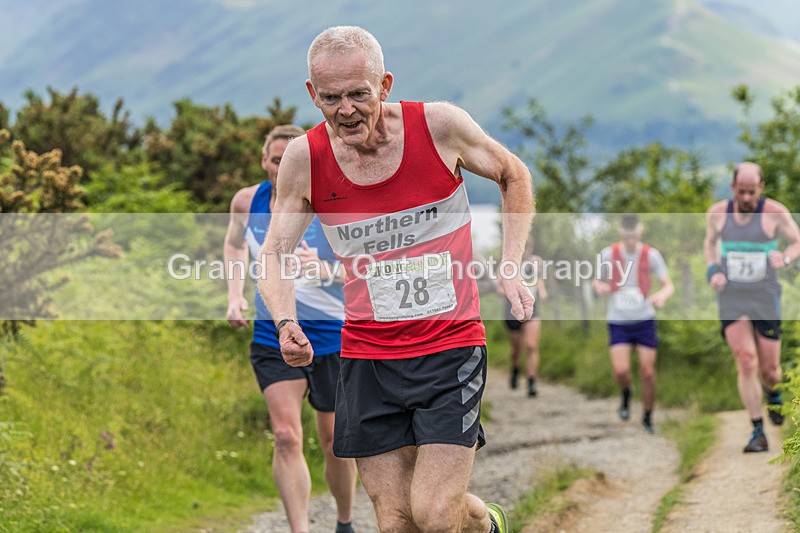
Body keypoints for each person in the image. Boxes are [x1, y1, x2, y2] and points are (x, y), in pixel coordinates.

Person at [259, 26, 534, 533]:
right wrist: (284, 320)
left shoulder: (439, 126)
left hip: (449, 345)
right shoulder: (305, 158)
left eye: (358, 94)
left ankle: (487, 523)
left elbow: (512, 174)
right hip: (367, 357)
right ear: (311, 94)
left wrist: (511, 265)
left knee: (435, 514)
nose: (346, 110)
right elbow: (274, 252)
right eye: (331, 97)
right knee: (396, 521)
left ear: (384, 85)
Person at [224, 124, 358, 533]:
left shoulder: (332, 201)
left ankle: (344, 521)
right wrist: (234, 294)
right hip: (273, 333)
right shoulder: (248, 202)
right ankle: (300, 529)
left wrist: (324, 270)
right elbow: (233, 243)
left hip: (330, 336)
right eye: (276, 160)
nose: (282, 168)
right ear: (264, 161)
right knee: (285, 436)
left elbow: (361, 266)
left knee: (335, 441)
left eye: (290, 160)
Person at [704, 161, 800, 453]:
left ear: (761, 188)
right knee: (746, 359)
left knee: (770, 370)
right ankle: (757, 431)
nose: (746, 198)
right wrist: (713, 271)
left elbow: (797, 242)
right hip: (732, 294)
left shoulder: (775, 212)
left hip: (764, 295)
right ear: (732, 187)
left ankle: (774, 396)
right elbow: (709, 244)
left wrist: (785, 258)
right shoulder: (717, 214)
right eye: (741, 192)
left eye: (751, 192)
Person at [592, 214, 674, 434]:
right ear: (621, 234)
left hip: (645, 319)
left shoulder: (651, 255)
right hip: (618, 320)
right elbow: (597, 280)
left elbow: (668, 284)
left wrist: (661, 296)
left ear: (640, 233)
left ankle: (648, 416)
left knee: (647, 372)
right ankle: (626, 392)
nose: (630, 240)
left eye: (634, 236)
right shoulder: (608, 254)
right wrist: (599, 287)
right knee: (621, 371)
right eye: (627, 236)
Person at [503, 239, 548, 397]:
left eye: (528, 246)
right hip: (512, 310)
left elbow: (538, 280)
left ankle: (532, 382)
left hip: (533, 309)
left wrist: (542, 291)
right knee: (516, 349)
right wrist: (508, 293)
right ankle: (515, 368)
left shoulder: (536, 262)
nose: (525, 250)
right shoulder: (507, 263)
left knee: (531, 346)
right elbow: (499, 284)